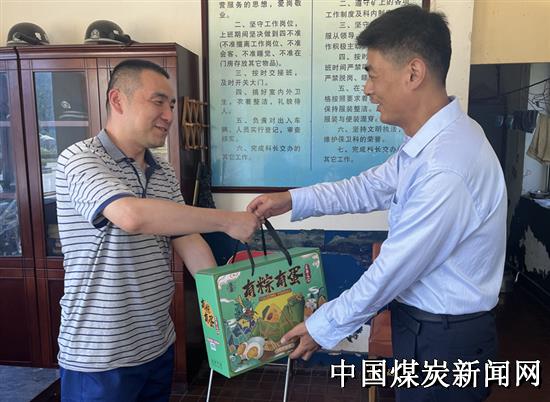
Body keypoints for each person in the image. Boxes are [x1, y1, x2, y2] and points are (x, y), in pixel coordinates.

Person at [247, 5, 506, 402]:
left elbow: (392, 270)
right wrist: (291, 200)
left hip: (445, 344)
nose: (367, 88)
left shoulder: (447, 166)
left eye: (372, 74)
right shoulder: (431, 144)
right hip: (426, 330)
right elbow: (367, 187)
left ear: (413, 73)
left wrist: (322, 327)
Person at [56, 59, 260, 401]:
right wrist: (227, 220)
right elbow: (130, 216)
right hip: (100, 355)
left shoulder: (161, 170)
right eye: (158, 101)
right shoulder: (80, 159)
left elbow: (187, 238)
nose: (168, 115)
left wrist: (226, 306)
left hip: (156, 344)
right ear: (118, 100)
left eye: (172, 105)